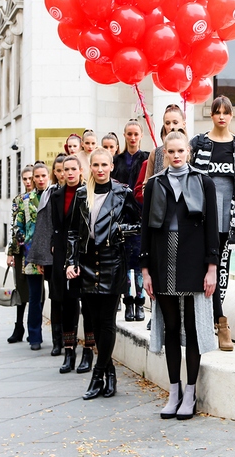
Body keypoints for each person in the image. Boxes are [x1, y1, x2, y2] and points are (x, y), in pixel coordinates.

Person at [141, 131, 220, 420]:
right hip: (162, 261)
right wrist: (145, 270)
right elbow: (146, 228)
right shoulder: (154, 184)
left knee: (192, 328)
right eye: (171, 151)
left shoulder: (204, 181)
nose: (176, 156)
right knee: (171, 328)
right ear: (164, 153)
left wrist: (212, 267)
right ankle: (173, 392)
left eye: (180, 151)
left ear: (188, 151)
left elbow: (212, 226)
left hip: (193, 261)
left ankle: (190, 392)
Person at [66, 148, 141, 400]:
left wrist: (121, 229)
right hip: (87, 263)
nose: (100, 169)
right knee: (94, 322)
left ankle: (97, 375)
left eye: (104, 165)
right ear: (90, 167)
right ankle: (110, 373)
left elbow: (140, 222)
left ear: (111, 166)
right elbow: (73, 232)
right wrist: (71, 261)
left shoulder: (122, 192)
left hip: (112, 262)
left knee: (107, 322)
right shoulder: (81, 193)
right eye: (95, 165)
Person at [190, 96, 235, 352]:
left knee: (221, 268)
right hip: (204, 216)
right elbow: (190, 179)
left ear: (232, 115)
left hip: (229, 216)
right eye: (217, 112)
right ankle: (217, 320)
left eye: (226, 112)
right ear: (211, 115)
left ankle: (219, 320)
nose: (222, 117)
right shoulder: (199, 143)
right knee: (205, 266)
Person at [50, 155, 96, 374]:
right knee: (67, 304)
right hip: (62, 256)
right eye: (64, 169)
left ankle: (88, 351)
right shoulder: (56, 195)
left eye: (72, 169)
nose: (68, 173)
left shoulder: (87, 193)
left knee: (87, 304)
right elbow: (54, 227)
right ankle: (69, 352)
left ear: (80, 171)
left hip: (84, 254)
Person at [28, 155, 66, 356]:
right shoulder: (49, 194)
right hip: (53, 256)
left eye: (66, 169)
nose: (63, 174)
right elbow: (42, 228)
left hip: (74, 255)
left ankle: (70, 340)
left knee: (71, 299)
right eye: (59, 170)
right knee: (55, 298)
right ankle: (57, 341)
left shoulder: (81, 191)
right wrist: (41, 257)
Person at [111, 120, 150, 322]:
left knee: (140, 262)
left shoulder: (147, 158)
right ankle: (127, 303)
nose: (133, 138)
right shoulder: (116, 161)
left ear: (141, 135)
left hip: (142, 216)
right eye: (129, 134)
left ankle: (140, 302)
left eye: (136, 134)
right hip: (121, 217)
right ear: (124, 135)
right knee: (125, 263)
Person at [13, 162, 50, 351]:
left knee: (57, 296)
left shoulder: (54, 195)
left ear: (48, 176)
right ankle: (34, 336)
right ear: (33, 178)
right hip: (32, 253)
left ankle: (60, 337)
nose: (40, 179)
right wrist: (22, 240)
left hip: (53, 253)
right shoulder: (26, 200)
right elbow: (18, 224)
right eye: (37, 176)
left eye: (44, 175)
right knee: (34, 296)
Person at [5, 165, 34, 344]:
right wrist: (10, 252)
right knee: (21, 289)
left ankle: (33, 328)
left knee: (36, 292)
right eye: (25, 179)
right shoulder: (18, 199)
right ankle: (19, 326)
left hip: (36, 251)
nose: (28, 182)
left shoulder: (42, 197)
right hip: (19, 250)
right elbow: (14, 225)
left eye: (30, 178)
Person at [144, 104, 186, 182]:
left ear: (183, 124)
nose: (171, 127)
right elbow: (147, 183)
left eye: (175, 122)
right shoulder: (156, 153)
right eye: (167, 123)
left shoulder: (193, 149)